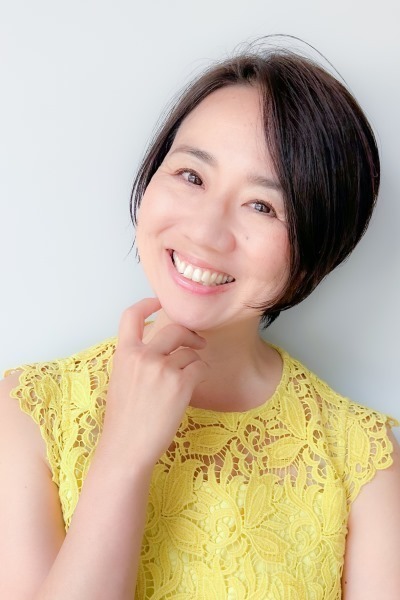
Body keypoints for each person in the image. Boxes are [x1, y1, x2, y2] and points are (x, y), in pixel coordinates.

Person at [1, 41, 399, 600]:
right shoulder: (30, 410)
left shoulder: (362, 459)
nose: (207, 232)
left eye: (262, 206)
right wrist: (122, 456)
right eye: (191, 176)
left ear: (316, 251)